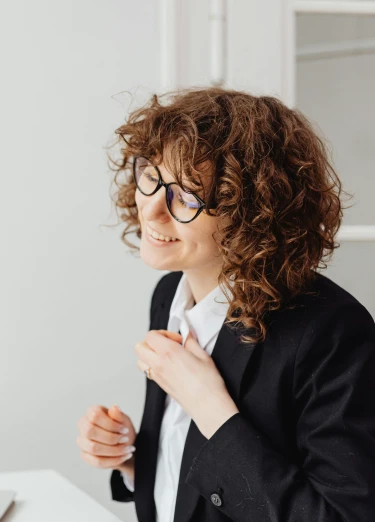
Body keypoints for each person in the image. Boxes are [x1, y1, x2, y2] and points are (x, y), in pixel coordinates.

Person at [76, 87, 375, 522]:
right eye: (151, 175)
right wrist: (132, 457)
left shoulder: (332, 333)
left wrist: (210, 407)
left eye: (188, 194)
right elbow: (195, 483)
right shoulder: (170, 295)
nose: (153, 210)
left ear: (252, 214)